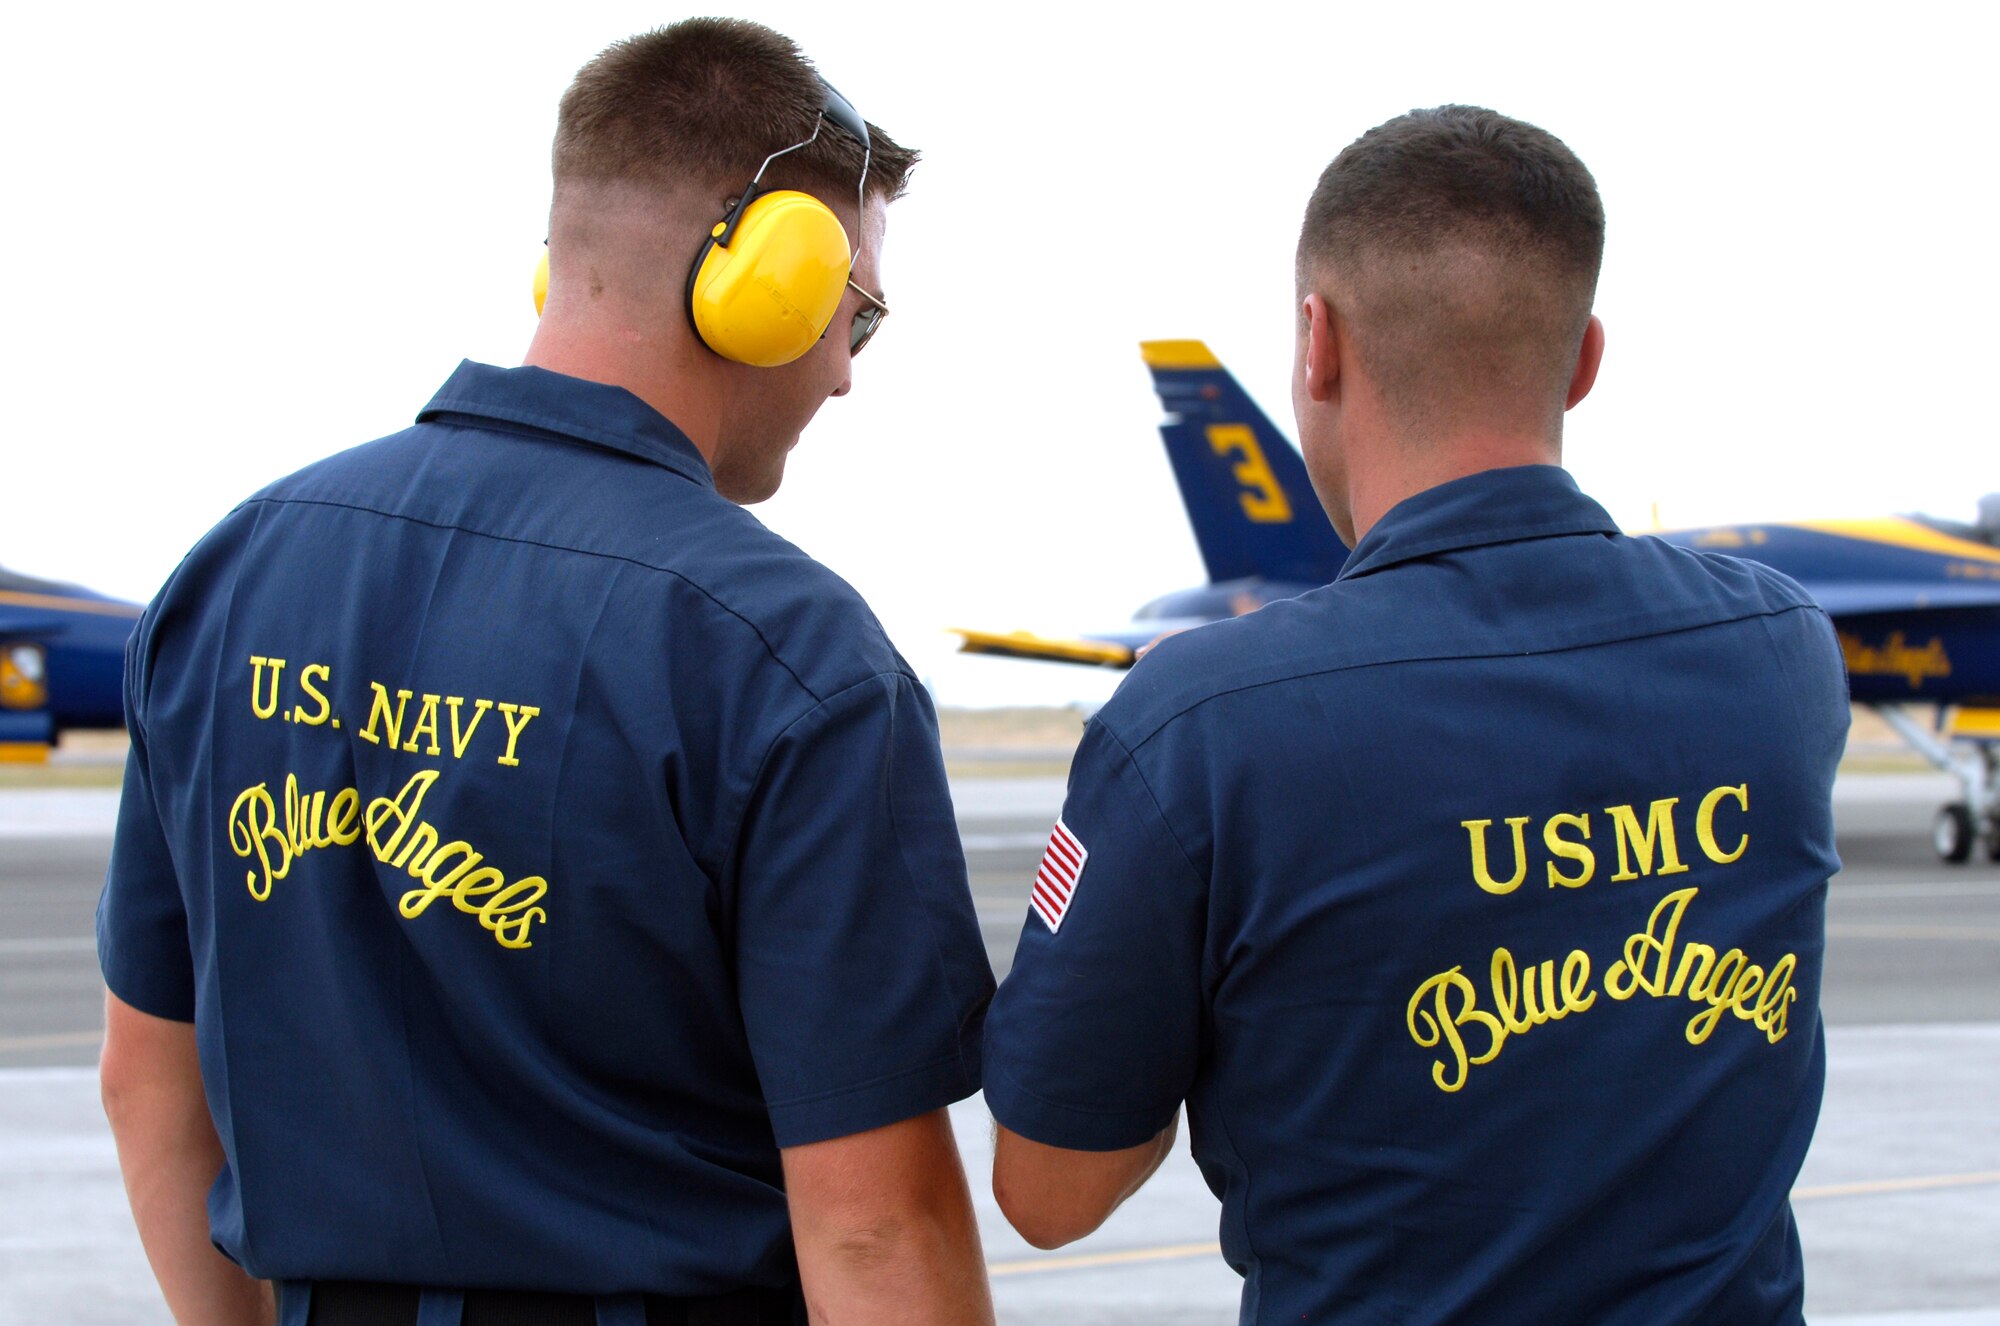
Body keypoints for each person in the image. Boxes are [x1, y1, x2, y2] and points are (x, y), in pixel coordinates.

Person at [97, 20, 995, 1326]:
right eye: (854, 312)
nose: (846, 372)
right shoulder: (782, 652)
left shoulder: (230, 572)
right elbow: (873, 1225)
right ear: (769, 284)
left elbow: (146, 1082)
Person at [983, 106, 1847, 1324]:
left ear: (1316, 345)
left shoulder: (1201, 726)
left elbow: (1047, 1190)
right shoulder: (1781, 653)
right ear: (1583, 359)